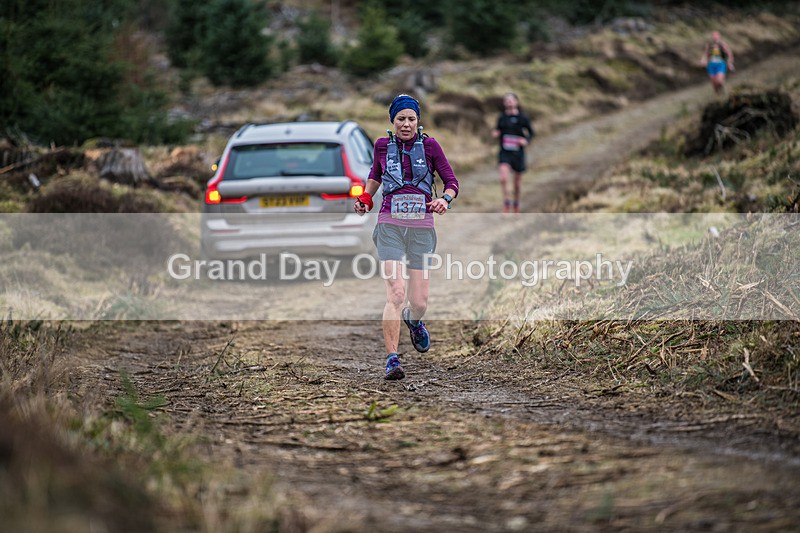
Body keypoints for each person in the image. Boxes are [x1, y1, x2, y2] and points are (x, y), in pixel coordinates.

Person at [354, 94, 459, 380]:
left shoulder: (431, 146)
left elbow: (451, 182)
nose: (406, 124)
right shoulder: (381, 145)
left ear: (418, 120)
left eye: (411, 119)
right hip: (389, 225)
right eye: (401, 119)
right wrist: (366, 198)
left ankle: (414, 321)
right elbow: (375, 176)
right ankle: (392, 359)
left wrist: (445, 200)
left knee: (419, 301)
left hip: (421, 227)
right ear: (393, 120)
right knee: (396, 292)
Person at [492, 93, 534, 214]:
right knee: (503, 178)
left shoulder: (522, 117)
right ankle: (506, 202)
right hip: (505, 152)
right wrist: (496, 133)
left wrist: (526, 140)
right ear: (504, 103)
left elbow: (531, 132)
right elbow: (498, 129)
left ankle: (516, 203)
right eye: (507, 100)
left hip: (518, 153)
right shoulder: (502, 117)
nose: (509, 102)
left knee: (517, 184)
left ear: (516, 102)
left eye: (511, 100)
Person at [700, 31, 735, 95]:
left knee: (719, 81)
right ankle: (717, 95)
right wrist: (703, 60)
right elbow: (705, 54)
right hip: (711, 65)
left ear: (719, 37)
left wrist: (730, 63)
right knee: (714, 84)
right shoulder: (709, 45)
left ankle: (722, 90)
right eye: (714, 36)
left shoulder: (722, 45)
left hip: (720, 64)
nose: (715, 37)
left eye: (716, 36)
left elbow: (729, 54)